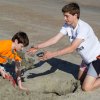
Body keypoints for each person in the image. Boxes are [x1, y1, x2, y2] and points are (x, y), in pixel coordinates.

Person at [27, 2, 100, 91]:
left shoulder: (83, 28)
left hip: (97, 58)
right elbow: (55, 39)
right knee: (80, 79)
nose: (64, 18)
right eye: (64, 16)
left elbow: (72, 48)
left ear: (75, 15)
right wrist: (37, 46)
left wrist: (52, 54)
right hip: (86, 60)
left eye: (67, 16)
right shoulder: (67, 26)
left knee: (86, 87)